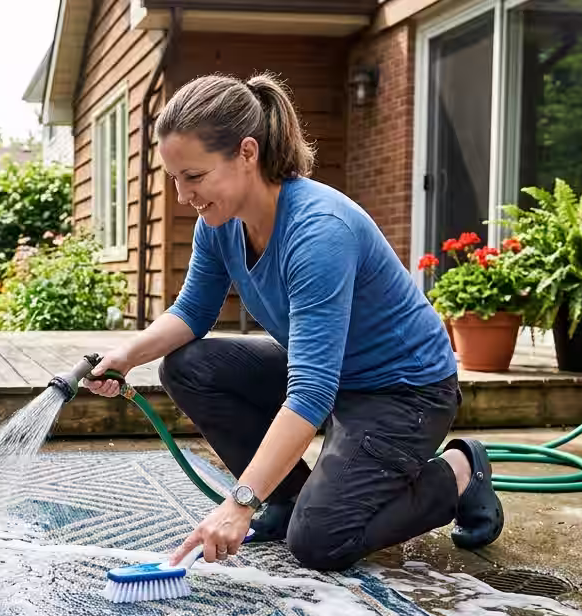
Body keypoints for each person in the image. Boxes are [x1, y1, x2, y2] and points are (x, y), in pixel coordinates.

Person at [83, 72, 504, 571]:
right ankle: (287, 500)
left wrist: (239, 503)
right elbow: (192, 314)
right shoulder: (219, 225)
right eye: (174, 178)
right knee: (187, 365)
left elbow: (310, 394)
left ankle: (459, 473)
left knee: (321, 543)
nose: (182, 195)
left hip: (403, 391)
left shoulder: (318, 232)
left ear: (246, 153)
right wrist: (125, 358)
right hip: (335, 375)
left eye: (193, 177)